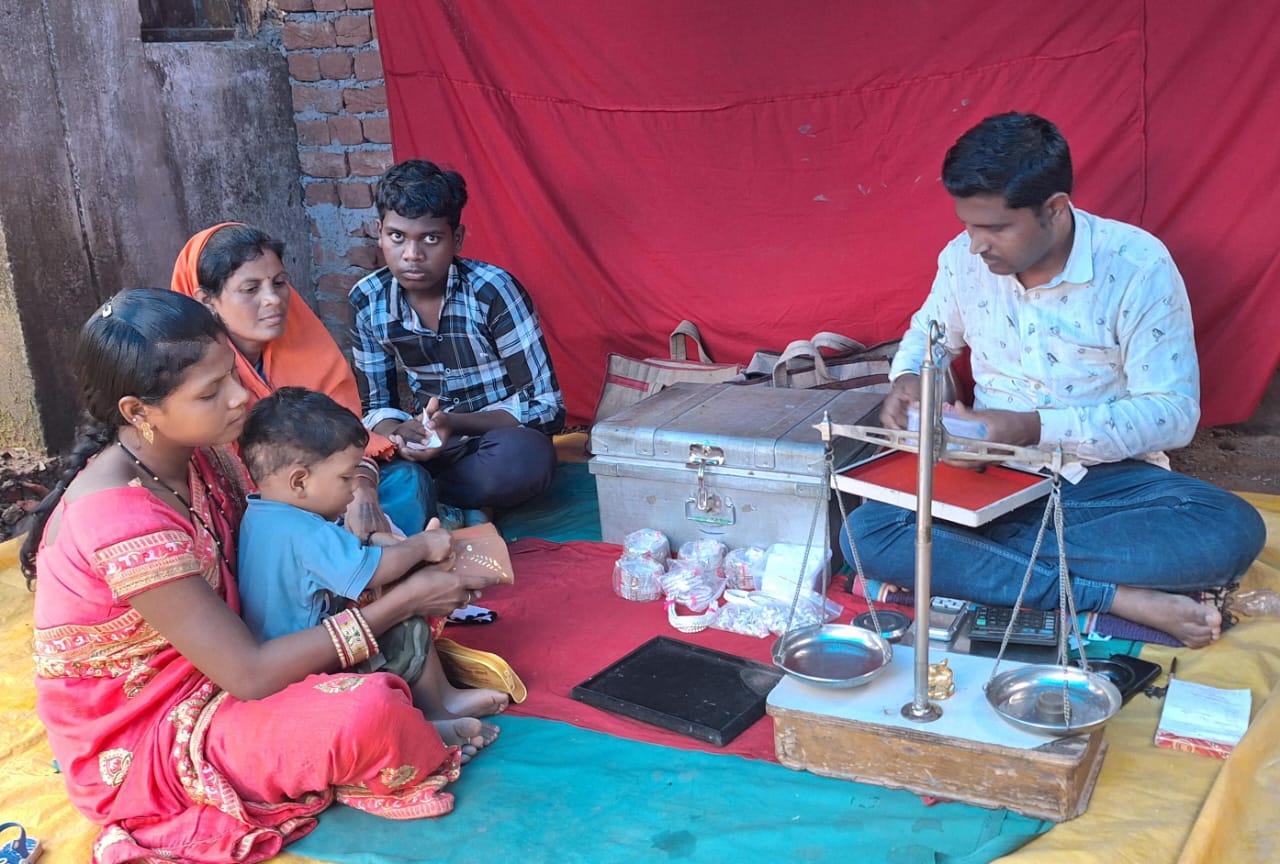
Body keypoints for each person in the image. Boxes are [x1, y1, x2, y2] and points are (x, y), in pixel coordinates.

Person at [21, 289, 502, 863]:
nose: (239, 398)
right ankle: (397, 720)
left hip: (244, 648)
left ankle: (411, 707)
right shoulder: (119, 519)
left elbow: (324, 467)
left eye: (232, 373)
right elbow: (248, 674)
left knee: (395, 572)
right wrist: (400, 601)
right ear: (137, 412)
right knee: (364, 710)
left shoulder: (203, 451)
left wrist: (364, 492)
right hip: (161, 729)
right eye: (211, 391)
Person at [845, 112, 1266, 649]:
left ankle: (984, 560)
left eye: (995, 227)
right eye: (968, 225)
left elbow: (1172, 414)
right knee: (868, 532)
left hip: (1105, 485)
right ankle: (1113, 596)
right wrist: (910, 378)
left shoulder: (1137, 266)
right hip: (989, 475)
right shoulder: (961, 261)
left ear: (1055, 209)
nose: (976, 245)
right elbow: (929, 338)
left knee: (1227, 531)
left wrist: (1031, 427)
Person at [237, 386, 510, 729]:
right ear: (299, 482)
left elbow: (345, 555)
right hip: (307, 667)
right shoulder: (306, 532)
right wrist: (423, 545)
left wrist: (386, 543)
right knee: (403, 605)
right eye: (346, 477)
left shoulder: (263, 514)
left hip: (287, 653)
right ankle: (436, 711)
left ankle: (443, 698)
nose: (355, 489)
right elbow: (375, 571)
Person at [171, 223, 436, 539]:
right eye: (251, 288)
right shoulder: (193, 371)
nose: (274, 299)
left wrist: (361, 489)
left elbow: (347, 439)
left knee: (406, 482)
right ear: (205, 300)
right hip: (257, 512)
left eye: (279, 283)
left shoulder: (307, 345)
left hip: (328, 487)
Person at [350, 159, 565, 513]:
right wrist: (402, 434)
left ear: (457, 239)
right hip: (429, 445)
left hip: (495, 440)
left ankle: (427, 499)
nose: (412, 255)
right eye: (397, 237)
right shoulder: (367, 299)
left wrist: (453, 423)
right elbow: (376, 406)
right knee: (361, 465)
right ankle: (438, 496)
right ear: (380, 232)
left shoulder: (494, 291)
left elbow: (547, 408)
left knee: (528, 458)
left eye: (431, 238)